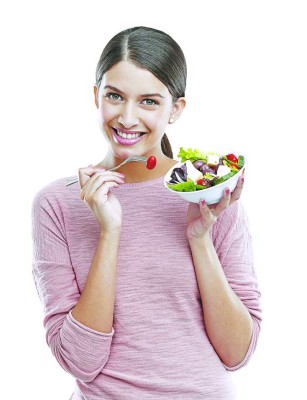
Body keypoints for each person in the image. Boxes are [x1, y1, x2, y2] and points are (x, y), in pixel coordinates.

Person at [31, 26, 262, 400]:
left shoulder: (212, 196)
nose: (127, 117)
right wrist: (109, 232)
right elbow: (80, 361)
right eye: (115, 96)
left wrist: (199, 239)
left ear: (176, 109)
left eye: (149, 101)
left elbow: (237, 353)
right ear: (96, 96)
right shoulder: (57, 204)